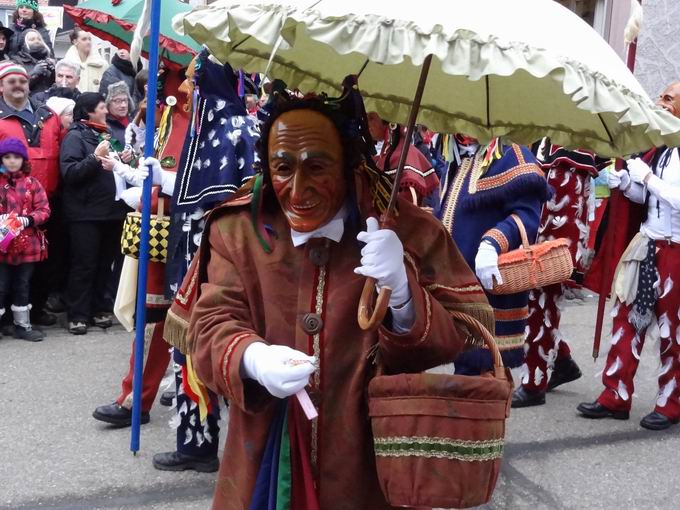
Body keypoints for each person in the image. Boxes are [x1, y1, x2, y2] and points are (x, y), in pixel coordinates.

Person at [180, 86, 494, 508]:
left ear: (348, 164)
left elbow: (460, 334)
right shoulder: (238, 230)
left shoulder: (406, 229)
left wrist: (402, 292)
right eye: (283, 168)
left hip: (366, 469)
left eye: (317, 166)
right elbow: (211, 324)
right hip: (267, 464)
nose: (297, 188)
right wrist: (253, 358)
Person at [577, 83, 680, 431]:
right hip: (648, 245)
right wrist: (624, 182)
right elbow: (646, 198)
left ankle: (671, 402)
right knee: (627, 319)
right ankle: (615, 394)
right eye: (661, 96)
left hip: (677, 252)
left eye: (668, 99)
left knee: (673, 332)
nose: (659, 102)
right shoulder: (660, 147)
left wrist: (646, 177)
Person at [437, 136, 551, 375]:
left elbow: (527, 215)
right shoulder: (458, 158)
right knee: (463, 361)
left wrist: (492, 243)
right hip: (454, 283)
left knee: (482, 367)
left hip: (488, 283)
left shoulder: (513, 155)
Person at [512, 143, 607, 407]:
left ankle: (533, 385)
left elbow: (563, 209)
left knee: (540, 305)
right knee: (535, 306)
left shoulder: (572, 149)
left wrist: (547, 249)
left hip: (552, 244)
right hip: (538, 238)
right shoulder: (549, 141)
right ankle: (562, 361)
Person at [59, 92, 129, 335]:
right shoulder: (74, 137)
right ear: (89, 111)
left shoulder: (104, 134)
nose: (106, 111)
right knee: (84, 265)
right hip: (85, 213)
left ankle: (100, 308)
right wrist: (94, 157)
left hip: (110, 211)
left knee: (103, 265)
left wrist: (122, 160)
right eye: (101, 107)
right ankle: (77, 314)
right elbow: (71, 173)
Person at [0, 62, 63, 327]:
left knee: (44, 262)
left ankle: (35, 311)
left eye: (22, 81)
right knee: (6, 267)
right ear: (1, 86)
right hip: (8, 205)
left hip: (47, 202)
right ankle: (5, 318)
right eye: (11, 81)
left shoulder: (48, 115)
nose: (18, 85)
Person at [0, 137, 49, 342]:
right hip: (2, 245)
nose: (12, 161)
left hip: (27, 244)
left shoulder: (32, 183)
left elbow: (44, 210)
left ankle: (22, 325)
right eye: (7, 157)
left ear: (23, 160)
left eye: (16, 157)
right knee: (1, 285)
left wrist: (27, 219)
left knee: (23, 284)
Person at [367, 111, 438, 206]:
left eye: (371, 118)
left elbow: (408, 201)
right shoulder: (385, 154)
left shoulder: (405, 154)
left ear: (388, 122)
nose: (367, 124)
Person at [12, 29, 55, 95]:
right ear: (24, 44)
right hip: (28, 102)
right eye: (32, 39)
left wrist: (55, 72)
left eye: (39, 39)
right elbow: (15, 88)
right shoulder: (16, 62)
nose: (37, 41)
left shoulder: (49, 60)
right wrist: (34, 73)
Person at [64, 27, 106, 93]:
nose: (88, 42)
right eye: (84, 39)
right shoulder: (65, 65)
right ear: (75, 42)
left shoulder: (102, 65)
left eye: (89, 39)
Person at [104, 80, 133, 151]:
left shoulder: (134, 123)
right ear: (108, 103)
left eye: (125, 100)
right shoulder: (104, 126)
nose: (123, 105)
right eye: (118, 101)